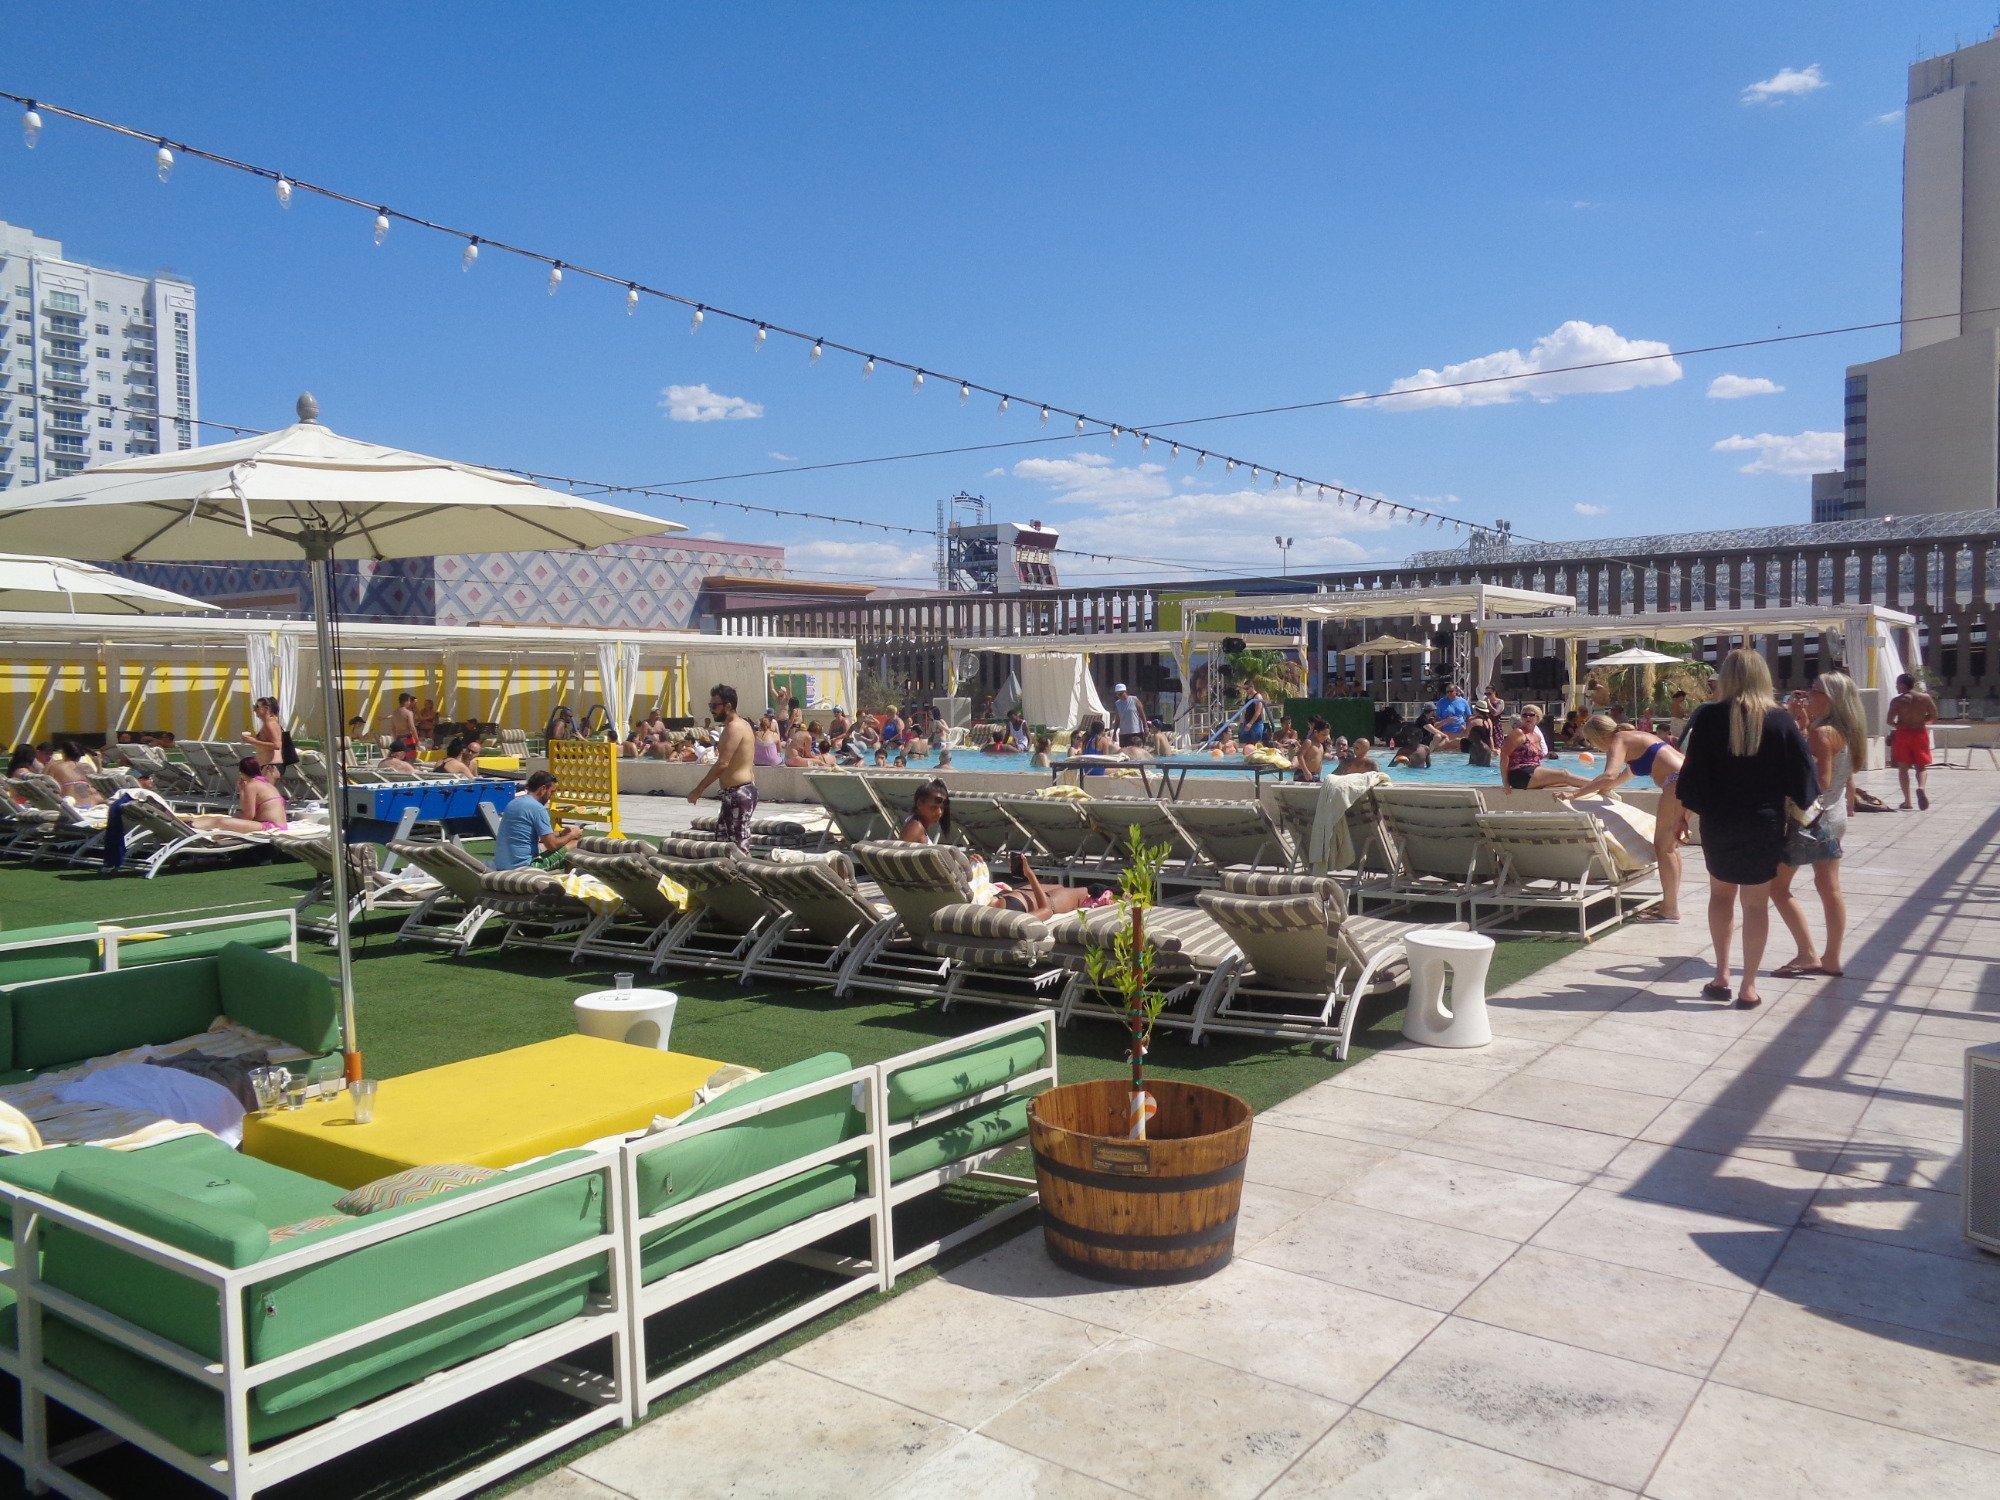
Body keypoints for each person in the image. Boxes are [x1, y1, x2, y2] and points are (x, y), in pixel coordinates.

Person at [1675, 647, 1818, 1009]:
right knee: (1756, 906)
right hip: (1763, 824)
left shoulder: (1708, 717)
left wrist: (1686, 813)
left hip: (1720, 822)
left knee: (1720, 896)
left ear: (1726, 677)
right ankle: (1748, 987)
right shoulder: (1781, 720)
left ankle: (1721, 975)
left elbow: (1691, 775)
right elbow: (1804, 781)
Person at [1769, 671, 1866, 979]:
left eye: (1813, 691)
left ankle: (1806, 953)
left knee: (1777, 887)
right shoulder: (1844, 730)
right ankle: (1832, 958)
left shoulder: (1822, 732)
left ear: (1830, 697)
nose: (1807, 696)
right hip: (1833, 816)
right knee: (1829, 887)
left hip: (1813, 820)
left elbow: (1819, 782)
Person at [898, 782, 1103, 916]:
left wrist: (963, 866)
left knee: (1054, 888)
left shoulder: (912, 825)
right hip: (998, 908)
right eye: (934, 807)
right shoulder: (915, 828)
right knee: (1064, 894)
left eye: (942, 807)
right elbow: (1046, 910)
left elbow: (912, 866)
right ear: (919, 803)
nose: (940, 812)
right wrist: (1029, 873)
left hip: (997, 902)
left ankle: (1099, 892)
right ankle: (1104, 894)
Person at [1565, 712, 1688, 922]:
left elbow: (1609, 775)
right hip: (1690, 779)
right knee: (1670, 846)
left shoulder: (1618, 740)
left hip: (1676, 783)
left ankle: (1670, 909)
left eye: (1592, 742)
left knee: (1663, 848)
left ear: (1598, 737)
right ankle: (1670, 904)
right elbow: (1623, 777)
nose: (1594, 747)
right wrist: (1602, 791)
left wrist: (1574, 794)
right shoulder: (1634, 737)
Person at [688, 682, 758, 850]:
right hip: (734, 793)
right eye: (710, 705)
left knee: (738, 847)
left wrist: (698, 790)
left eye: (715, 705)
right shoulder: (738, 725)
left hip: (739, 793)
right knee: (724, 845)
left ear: (728, 705)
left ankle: (746, 876)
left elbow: (722, 764)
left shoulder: (735, 727)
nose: (712, 709)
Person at [494, 769, 581, 870]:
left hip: (502, 864)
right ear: (543, 789)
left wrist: (561, 833)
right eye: (551, 792)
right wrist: (572, 835)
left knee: (550, 846)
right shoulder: (537, 808)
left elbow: (528, 835)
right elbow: (552, 845)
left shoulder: (514, 802)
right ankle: (570, 882)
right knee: (574, 844)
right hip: (524, 866)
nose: (550, 797)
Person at [189, 756, 291, 833]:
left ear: (242, 773)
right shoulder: (264, 783)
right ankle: (192, 822)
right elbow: (249, 812)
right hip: (276, 824)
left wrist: (242, 791)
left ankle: (191, 827)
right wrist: (242, 791)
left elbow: (248, 816)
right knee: (229, 818)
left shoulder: (252, 785)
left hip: (270, 827)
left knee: (222, 821)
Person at [1500, 706, 1587, 792]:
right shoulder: (1519, 733)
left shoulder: (1537, 737)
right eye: (1524, 715)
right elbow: (1504, 754)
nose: (1527, 717)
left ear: (1537, 718)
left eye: (1531, 715)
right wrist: (1505, 782)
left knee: (1565, 782)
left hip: (1531, 772)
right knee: (1564, 774)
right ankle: (1597, 786)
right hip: (1520, 774)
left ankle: (1594, 786)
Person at [1886, 672, 1937, 810]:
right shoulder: (1925, 698)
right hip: (1919, 732)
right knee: (1921, 766)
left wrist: (1899, 725)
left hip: (1903, 734)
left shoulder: (1897, 701)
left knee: (1903, 769)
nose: (1896, 687)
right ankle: (1921, 787)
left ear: (1902, 685)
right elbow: (1934, 715)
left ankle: (1907, 801)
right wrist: (1921, 721)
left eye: (1897, 684)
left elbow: (1889, 720)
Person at [44, 741, 104, 807]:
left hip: (72, 805)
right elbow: (99, 784)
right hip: (92, 803)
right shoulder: (87, 767)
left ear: (63, 753)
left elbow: (46, 787)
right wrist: (99, 764)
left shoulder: (54, 766)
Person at [242, 696, 284, 772]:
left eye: (257, 707)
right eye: (254, 707)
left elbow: (277, 745)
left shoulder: (269, 724)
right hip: (269, 765)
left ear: (266, 709)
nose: (254, 710)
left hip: (271, 766)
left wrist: (252, 741)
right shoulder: (269, 723)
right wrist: (252, 739)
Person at [1111, 683, 1148, 749]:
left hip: (1136, 731)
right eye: (1118, 694)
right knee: (1124, 753)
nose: (1119, 695)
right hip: (1124, 733)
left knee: (1138, 751)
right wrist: (1114, 732)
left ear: (1125, 692)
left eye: (1121, 693)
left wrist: (1145, 727)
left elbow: (1142, 714)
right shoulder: (1117, 704)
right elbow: (1117, 719)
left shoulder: (1134, 700)